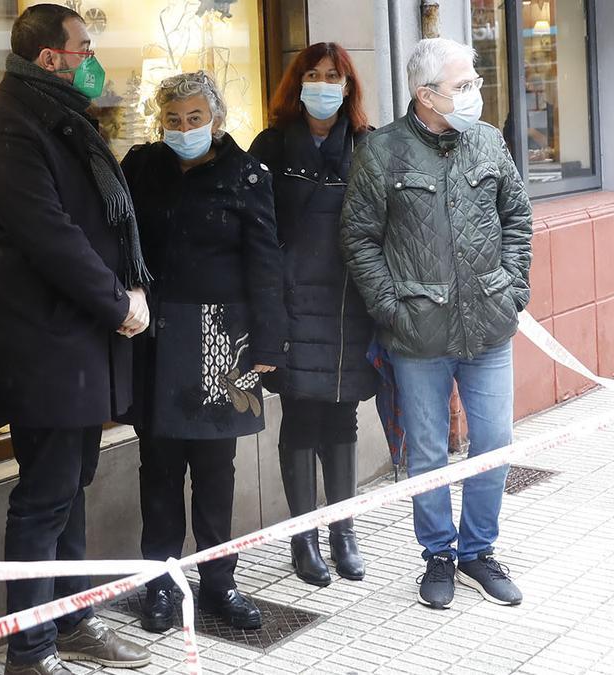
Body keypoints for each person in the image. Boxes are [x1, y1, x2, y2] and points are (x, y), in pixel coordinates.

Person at [0, 5, 152, 675]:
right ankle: (30, 649)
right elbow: (52, 239)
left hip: (78, 345)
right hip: (46, 346)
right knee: (44, 497)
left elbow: (93, 222)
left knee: (73, 488)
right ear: (52, 57)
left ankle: (72, 620)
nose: (92, 58)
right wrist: (119, 305)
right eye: (85, 47)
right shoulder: (4, 127)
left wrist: (124, 296)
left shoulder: (57, 114)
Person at [340, 37, 532, 610]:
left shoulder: (488, 141)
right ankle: (438, 556)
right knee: (425, 453)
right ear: (427, 95)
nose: (475, 92)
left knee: (493, 442)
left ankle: (478, 551)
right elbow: (359, 239)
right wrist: (391, 308)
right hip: (417, 336)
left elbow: (517, 217)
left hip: (489, 329)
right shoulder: (381, 153)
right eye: (464, 84)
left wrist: (513, 287)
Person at [120, 71, 285, 633]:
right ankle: (162, 585)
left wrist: (267, 344)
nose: (185, 128)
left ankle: (220, 581)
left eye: (195, 118)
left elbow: (266, 262)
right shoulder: (141, 168)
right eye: (174, 119)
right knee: (158, 469)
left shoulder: (247, 174)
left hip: (222, 340)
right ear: (160, 121)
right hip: (156, 339)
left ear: (216, 120)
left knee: (216, 469)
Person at [248, 43, 378, 588]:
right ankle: (304, 536)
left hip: (349, 305)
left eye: (334, 76)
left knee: (342, 414)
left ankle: (342, 532)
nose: (323, 84)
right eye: (313, 75)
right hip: (292, 303)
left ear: (348, 86)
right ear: (296, 84)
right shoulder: (272, 145)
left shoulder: (370, 146)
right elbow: (256, 233)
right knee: (301, 417)